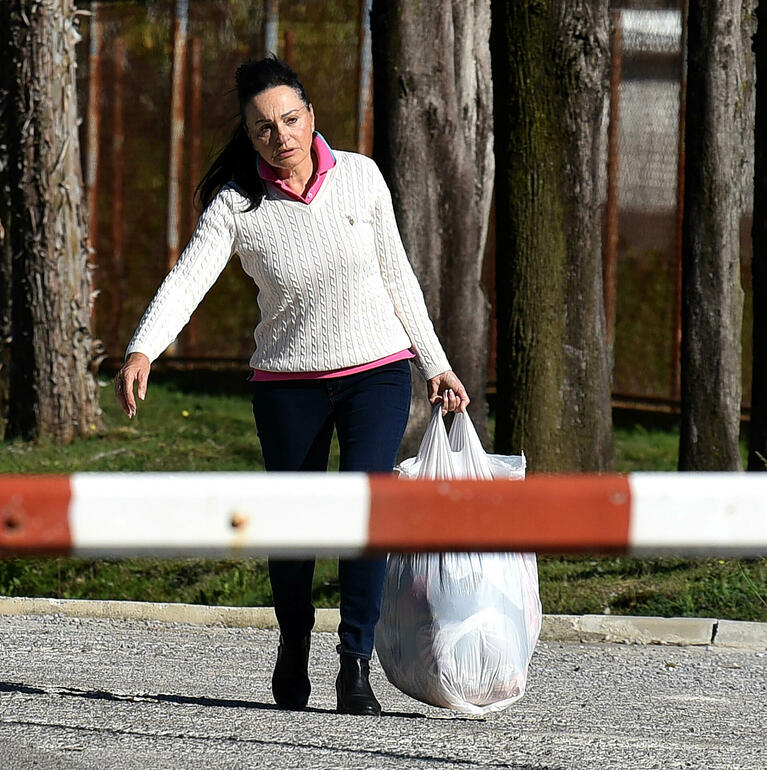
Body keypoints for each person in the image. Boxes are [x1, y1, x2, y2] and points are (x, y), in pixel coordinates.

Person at [114, 56, 469, 717]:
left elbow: (398, 275)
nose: (281, 137)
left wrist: (436, 364)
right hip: (287, 382)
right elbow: (189, 279)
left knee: (368, 512)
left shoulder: (360, 177)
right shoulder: (237, 205)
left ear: (310, 116)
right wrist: (143, 347)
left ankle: (354, 664)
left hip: (377, 371)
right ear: (249, 138)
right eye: (263, 129)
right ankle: (294, 637)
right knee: (295, 523)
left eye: (290, 119)